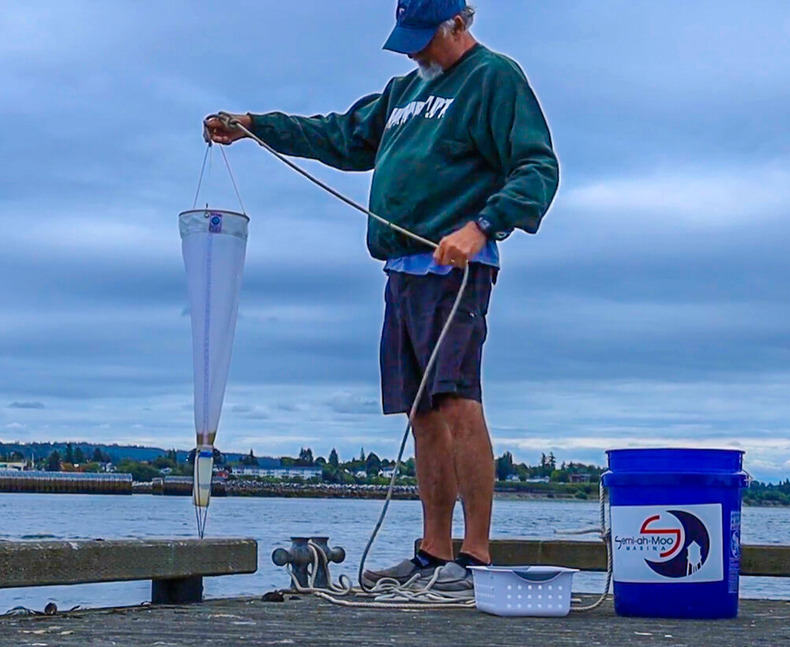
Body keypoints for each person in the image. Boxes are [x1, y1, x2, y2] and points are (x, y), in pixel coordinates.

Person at [204, 0, 558, 595]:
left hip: (455, 270)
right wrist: (255, 125)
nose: (417, 50)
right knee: (419, 412)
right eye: (408, 39)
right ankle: (432, 552)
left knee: (456, 401)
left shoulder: (495, 77)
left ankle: (474, 558)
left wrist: (484, 226)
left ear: (462, 21)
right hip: (400, 269)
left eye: (426, 37)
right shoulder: (401, 92)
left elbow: (537, 167)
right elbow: (340, 135)